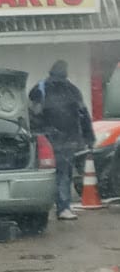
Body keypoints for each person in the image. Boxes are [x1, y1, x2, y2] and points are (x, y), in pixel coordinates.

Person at [29, 60, 95, 221]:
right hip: (68, 139)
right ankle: (63, 208)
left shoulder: (40, 88)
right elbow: (83, 114)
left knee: (44, 174)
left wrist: (37, 132)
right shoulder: (72, 90)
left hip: (45, 140)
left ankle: (38, 208)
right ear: (65, 73)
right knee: (64, 174)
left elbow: (31, 113)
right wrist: (89, 137)